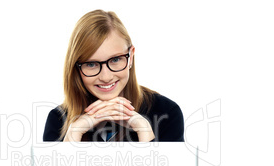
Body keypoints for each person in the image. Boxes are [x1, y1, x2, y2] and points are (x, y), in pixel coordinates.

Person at [43, 9, 184, 142]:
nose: (106, 77)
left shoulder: (167, 113)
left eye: (115, 60)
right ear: (76, 67)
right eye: (91, 64)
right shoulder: (58, 120)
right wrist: (74, 133)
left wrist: (144, 131)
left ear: (131, 57)